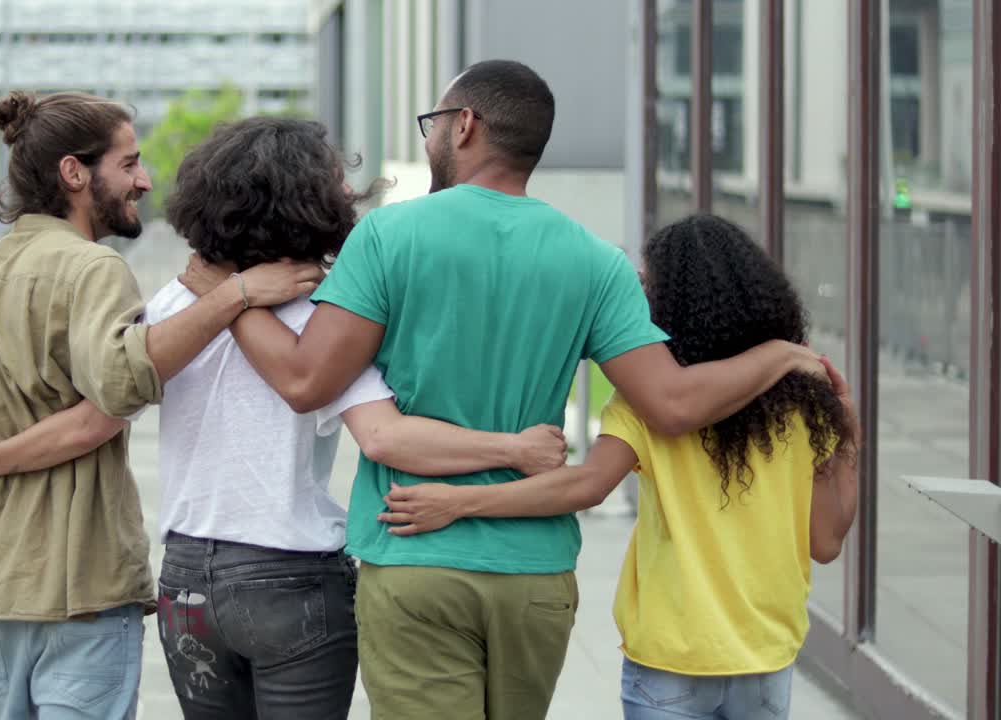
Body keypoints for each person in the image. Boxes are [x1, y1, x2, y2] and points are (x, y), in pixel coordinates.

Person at [176, 60, 826, 720]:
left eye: (433, 123)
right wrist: (776, 355)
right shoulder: (596, 261)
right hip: (535, 576)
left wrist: (228, 294)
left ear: (464, 125)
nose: (430, 138)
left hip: (415, 560)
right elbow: (674, 403)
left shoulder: (389, 235)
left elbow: (304, 379)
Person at [0, 116, 569, 720]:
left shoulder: (176, 302)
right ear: (312, 202)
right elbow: (384, 436)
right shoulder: (327, 318)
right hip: (292, 573)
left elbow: (98, 417)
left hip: (187, 582)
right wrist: (513, 449)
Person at [0, 92, 320, 720]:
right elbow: (120, 385)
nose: (143, 180)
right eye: (129, 163)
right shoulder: (94, 270)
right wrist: (238, 293)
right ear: (74, 172)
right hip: (82, 585)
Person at [376, 214, 861, 720]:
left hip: (671, 660)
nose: (639, 298)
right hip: (765, 659)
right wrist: (850, 439)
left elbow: (587, 486)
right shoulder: (805, 403)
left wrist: (458, 502)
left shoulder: (646, 405)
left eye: (648, 286)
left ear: (678, 304)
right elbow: (826, 543)